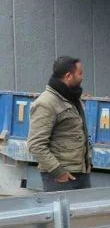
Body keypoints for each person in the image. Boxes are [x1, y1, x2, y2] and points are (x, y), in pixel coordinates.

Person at [27, 56, 92, 192]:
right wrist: (59, 172)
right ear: (68, 76)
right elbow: (36, 145)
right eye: (80, 73)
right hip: (60, 179)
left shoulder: (72, 98)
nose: (82, 77)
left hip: (80, 172)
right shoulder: (46, 103)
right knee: (61, 214)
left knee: (84, 214)